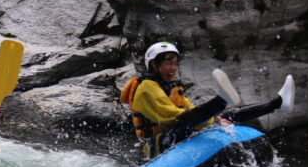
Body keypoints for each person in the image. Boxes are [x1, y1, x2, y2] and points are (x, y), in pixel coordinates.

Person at [120, 41, 295, 157]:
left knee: (227, 116)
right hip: (159, 147)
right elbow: (171, 116)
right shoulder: (145, 88)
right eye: (168, 63)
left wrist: (216, 119)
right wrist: (212, 119)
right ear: (153, 64)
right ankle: (220, 101)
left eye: (175, 63)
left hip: (177, 134)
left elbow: (189, 109)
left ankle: (278, 103)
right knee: (187, 120)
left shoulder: (173, 86)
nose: (173, 68)